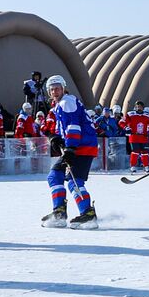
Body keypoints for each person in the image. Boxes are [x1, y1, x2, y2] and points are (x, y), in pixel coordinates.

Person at [40, 75, 99, 229]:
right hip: (76, 146)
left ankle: (88, 214)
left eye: (57, 88)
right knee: (55, 175)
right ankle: (59, 212)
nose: (55, 91)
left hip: (82, 146)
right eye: (52, 89)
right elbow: (62, 128)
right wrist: (56, 138)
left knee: (74, 181)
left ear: (63, 88)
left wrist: (70, 148)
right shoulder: (60, 105)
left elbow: (74, 126)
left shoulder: (67, 102)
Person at [120, 102, 149, 171]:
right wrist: (126, 128)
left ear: (143, 107)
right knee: (135, 151)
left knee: (145, 152)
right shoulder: (130, 114)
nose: (138, 108)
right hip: (134, 137)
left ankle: (146, 166)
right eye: (137, 106)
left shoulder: (147, 116)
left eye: (140, 106)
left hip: (144, 137)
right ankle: (133, 166)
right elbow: (121, 122)